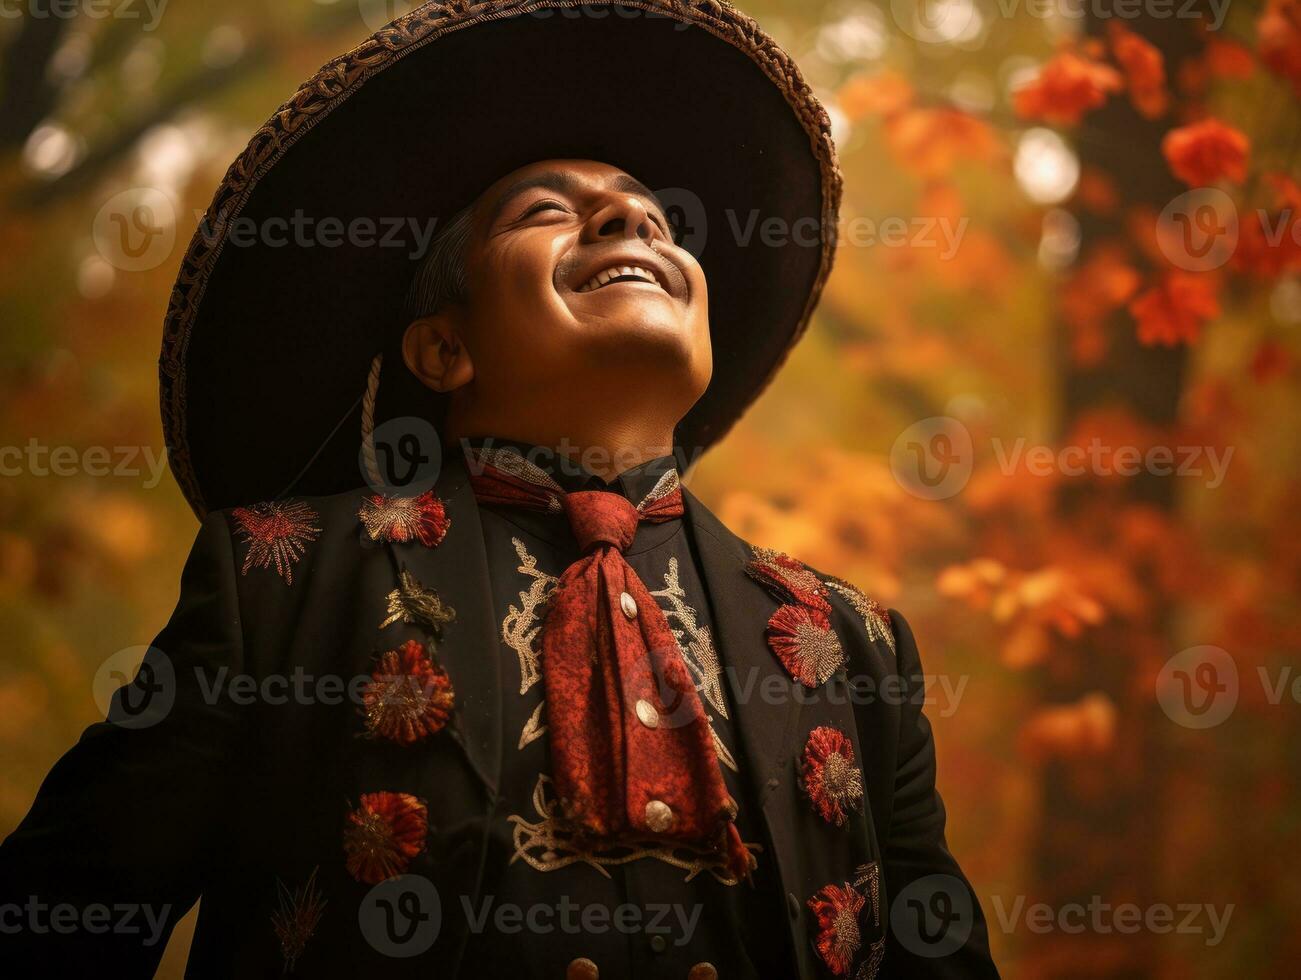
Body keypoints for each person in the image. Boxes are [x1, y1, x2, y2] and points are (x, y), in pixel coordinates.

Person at [0, 2, 998, 978]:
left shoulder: (851, 641)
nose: (628, 217)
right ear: (443, 346)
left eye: (654, 216)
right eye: (546, 211)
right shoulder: (285, 584)